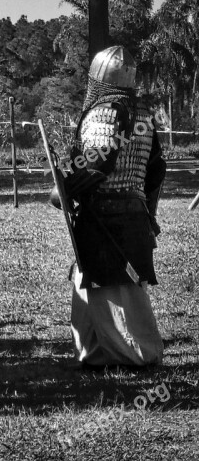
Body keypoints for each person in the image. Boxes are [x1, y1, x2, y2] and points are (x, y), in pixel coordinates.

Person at [57, 46, 166, 368]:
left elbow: (98, 160)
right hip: (132, 212)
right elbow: (156, 169)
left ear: (96, 79)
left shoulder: (105, 112)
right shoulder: (142, 113)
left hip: (105, 213)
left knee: (112, 286)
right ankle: (92, 351)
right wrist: (149, 211)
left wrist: (66, 188)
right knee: (88, 277)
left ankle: (132, 356)